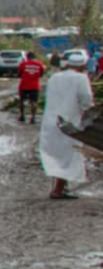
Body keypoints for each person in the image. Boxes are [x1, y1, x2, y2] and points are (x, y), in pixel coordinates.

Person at [40, 53, 94, 199]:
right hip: (69, 123)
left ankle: (60, 188)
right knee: (68, 155)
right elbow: (86, 100)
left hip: (50, 121)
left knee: (56, 155)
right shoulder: (81, 78)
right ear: (82, 66)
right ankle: (57, 190)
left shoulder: (54, 77)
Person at [16, 50, 46, 123]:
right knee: (34, 102)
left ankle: (22, 116)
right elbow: (42, 74)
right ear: (34, 57)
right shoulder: (39, 64)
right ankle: (33, 117)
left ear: (27, 57)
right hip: (35, 86)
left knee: (22, 101)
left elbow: (19, 73)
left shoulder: (23, 64)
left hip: (24, 86)